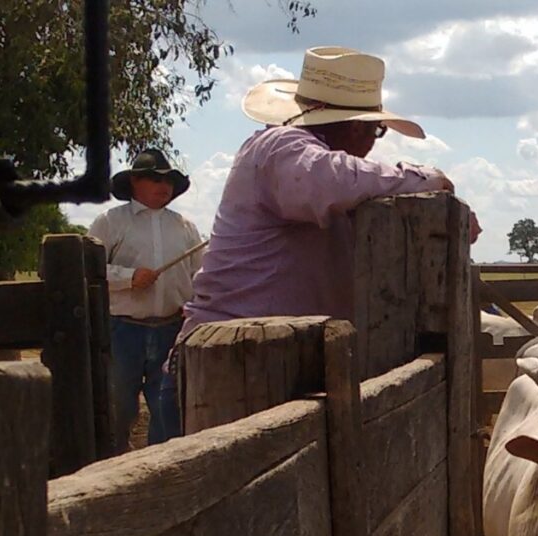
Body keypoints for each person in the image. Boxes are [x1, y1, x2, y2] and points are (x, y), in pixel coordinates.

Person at [182, 45, 479, 338]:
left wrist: (446, 215)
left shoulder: (332, 181)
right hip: (233, 353)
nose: (373, 144)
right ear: (357, 129)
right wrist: (428, 181)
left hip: (267, 349)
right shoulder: (282, 145)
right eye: (377, 130)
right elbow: (332, 179)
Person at [88, 149, 204, 447]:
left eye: (169, 181)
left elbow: (200, 276)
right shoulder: (109, 222)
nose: (164, 186)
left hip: (171, 329)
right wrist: (128, 278)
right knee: (117, 408)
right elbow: (87, 268)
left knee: (168, 411)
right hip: (122, 330)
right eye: (154, 178)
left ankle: (158, 473)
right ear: (135, 182)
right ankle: (111, 469)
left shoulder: (185, 227)